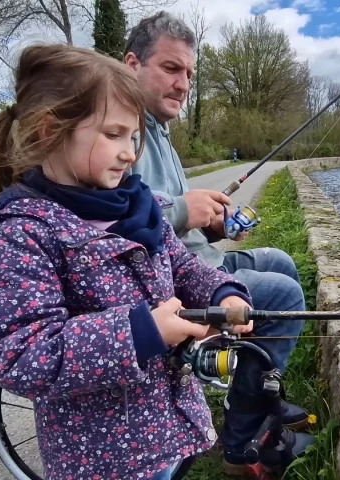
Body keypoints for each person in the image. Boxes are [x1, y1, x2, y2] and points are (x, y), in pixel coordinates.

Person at [0, 43, 255, 480]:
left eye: (134, 137)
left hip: (166, 429)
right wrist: (141, 332)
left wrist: (222, 291)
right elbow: (20, 353)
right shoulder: (19, 233)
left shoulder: (134, 204)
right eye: (113, 135)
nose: (129, 153)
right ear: (50, 131)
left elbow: (178, 265)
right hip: (104, 460)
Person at [123, 11, 314, 475]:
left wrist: (215, 227)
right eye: (170, 68)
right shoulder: (119, 130)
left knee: (280, 262)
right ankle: (242, 444)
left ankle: (251, 388)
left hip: (197, 258)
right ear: (131, 65)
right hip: (172, 280)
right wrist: (187, 211)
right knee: (285, 296)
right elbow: (118, 217)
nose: (183, 83)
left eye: (189, 72)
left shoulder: (161, 132)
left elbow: (174, 220)